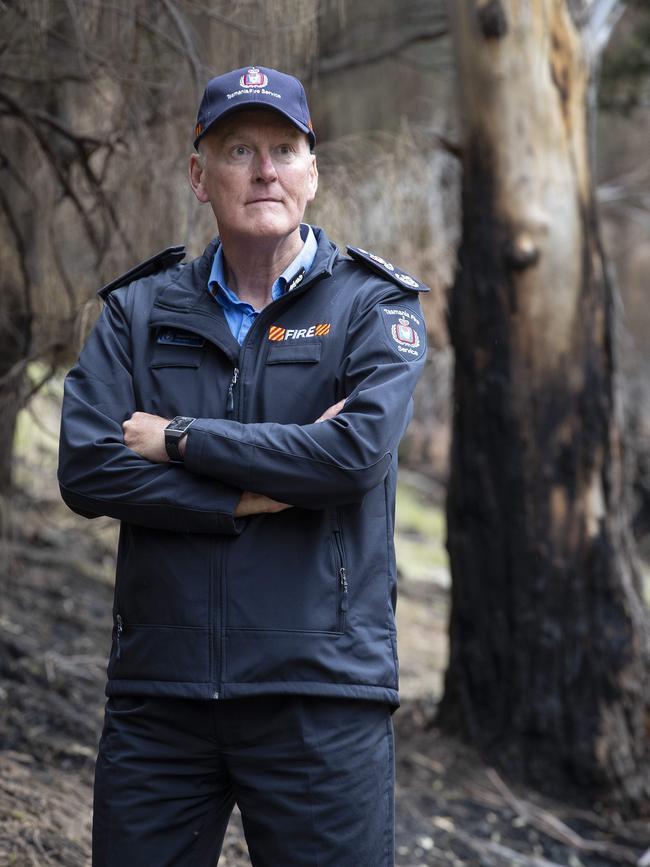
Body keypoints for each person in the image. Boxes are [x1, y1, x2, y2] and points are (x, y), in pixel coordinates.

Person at [58, 64, 428, 867]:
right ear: (199, 175)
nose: (264, 169)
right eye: (238, 150)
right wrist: (242, 500)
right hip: (162, 697)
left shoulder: (374, 307)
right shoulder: (140, 311)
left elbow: (351, 455)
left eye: (283, 148)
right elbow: (88, 468)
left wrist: (182, 438)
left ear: (311, 172)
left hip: (322, 698)